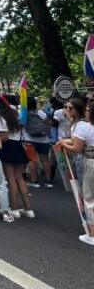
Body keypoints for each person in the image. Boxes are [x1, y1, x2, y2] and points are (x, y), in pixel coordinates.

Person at [0, 96, 33, 219]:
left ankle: (14, 208)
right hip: (18, 145)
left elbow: (4, 136)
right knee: (20, 178)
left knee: (10, 178)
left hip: (8, 147)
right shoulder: (13, 113)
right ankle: (28, 208)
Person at [58, 98, 94, 245]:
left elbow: (77, 148)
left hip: (90, 162)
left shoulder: (83, 127)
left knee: (89, 198)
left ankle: (92, 234)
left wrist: (62, 143)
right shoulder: (84, 126)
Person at [25, 96, 53, 188]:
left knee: (32, 160)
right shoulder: (41, 113)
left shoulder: (24, 114)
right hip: (43, 139)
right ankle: (49, 180)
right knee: (45, 160)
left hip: (29, 139)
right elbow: (47, 125)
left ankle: (34, 181)